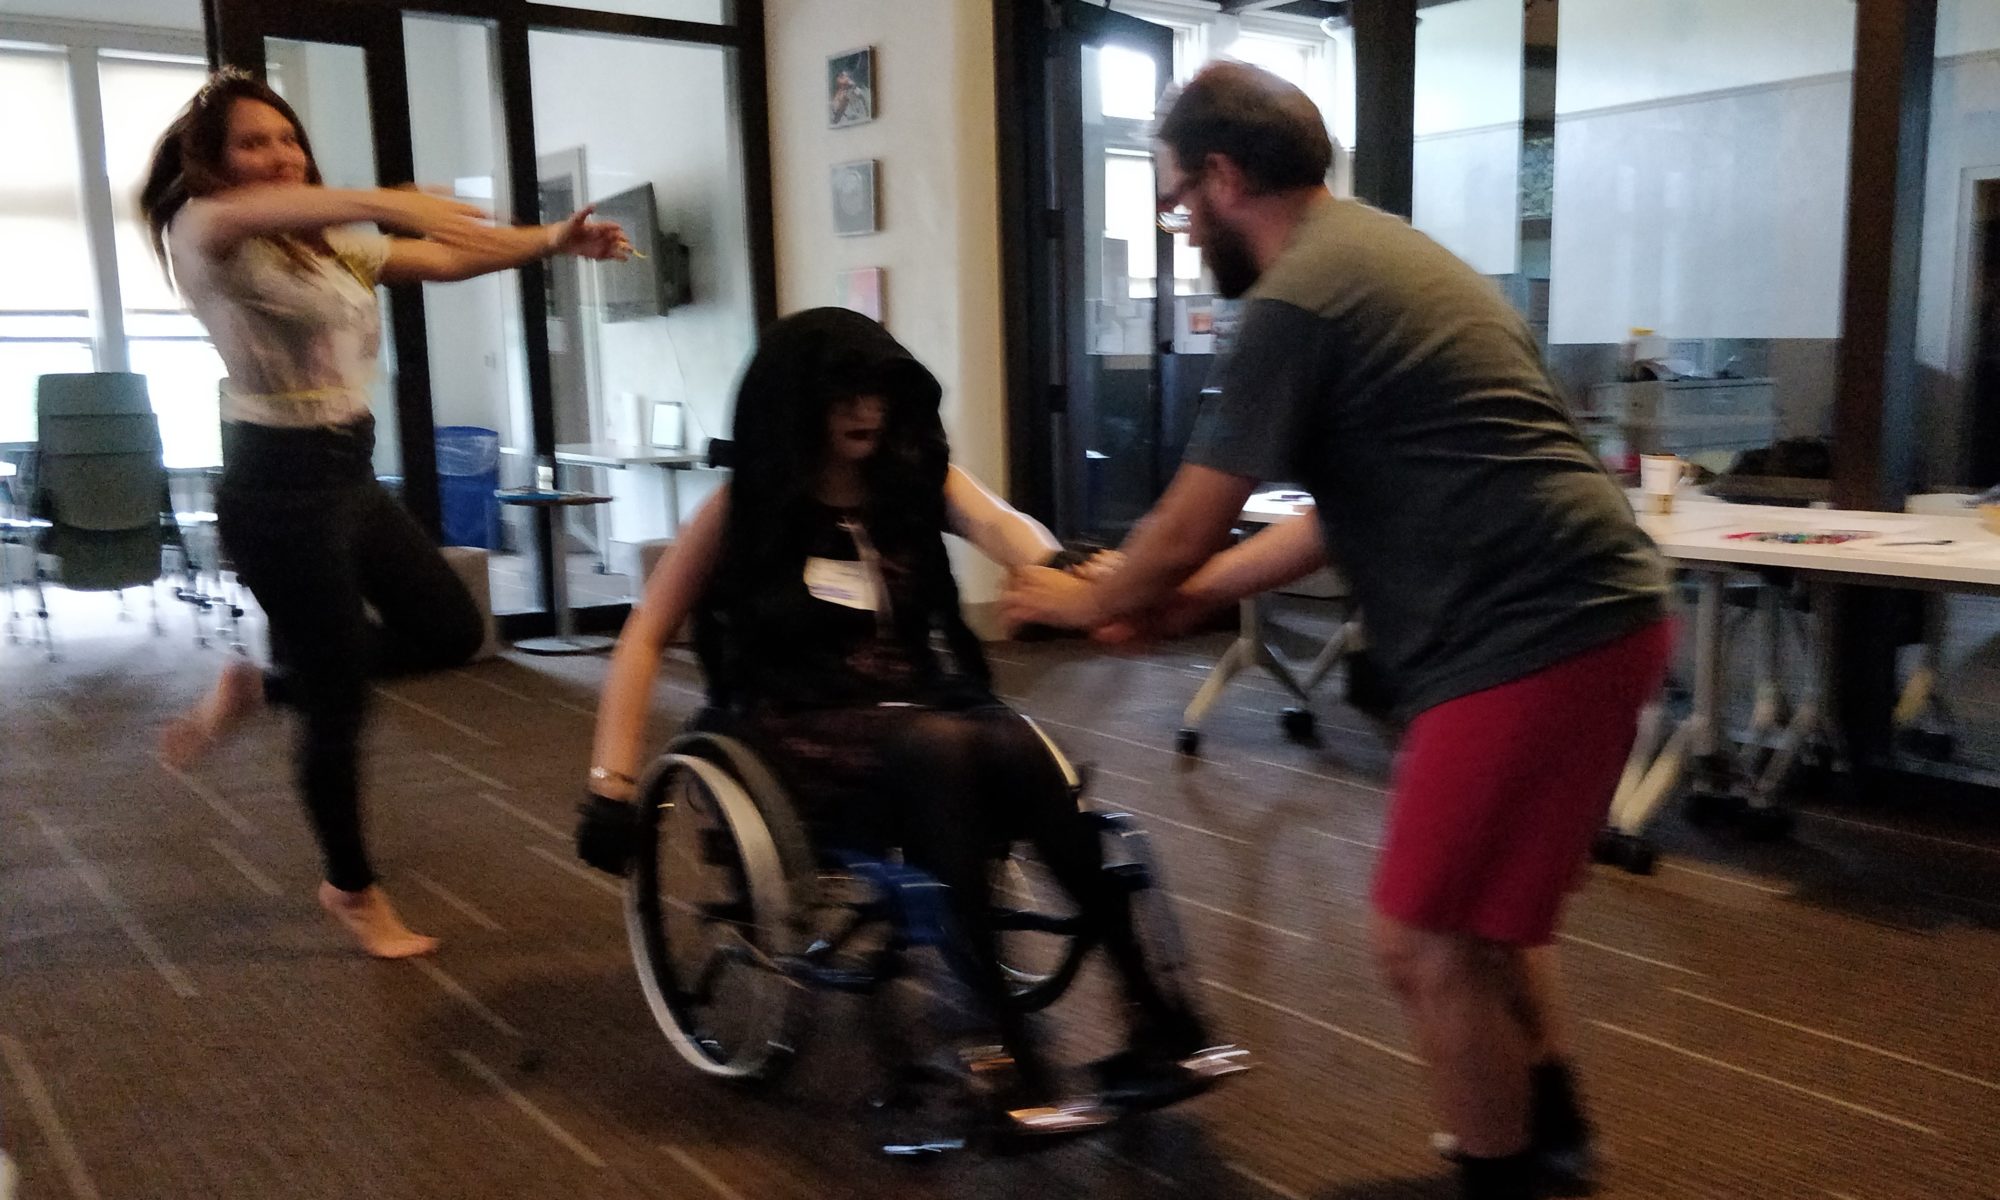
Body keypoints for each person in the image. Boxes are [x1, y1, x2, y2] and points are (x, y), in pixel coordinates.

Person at [1002, 63, 1672, 1200]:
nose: (1178, 228)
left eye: (1174, 201)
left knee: (1424, 940)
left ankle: (1505, 1177)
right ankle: (1547, 1133)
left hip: (1530, 633)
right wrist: (1184, 599)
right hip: (1590, 616)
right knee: (1484, 921)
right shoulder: (1382, 254)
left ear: (1223, 177)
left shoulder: (1298, 296)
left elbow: (1185, 524)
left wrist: (1082, 599)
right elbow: (1332, 517)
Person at [586, 307, 1243, 1139]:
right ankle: (1000, 1053)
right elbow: (646, 632)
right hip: (797, 730)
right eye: (843, 395)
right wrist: (610, 784)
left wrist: (1058, 567)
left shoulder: (913, 480)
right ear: (797, 404)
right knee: (944, 747)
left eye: (877, 393)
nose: (866, 410)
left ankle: (1155, 1016)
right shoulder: (743, 506)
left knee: (1010, 742)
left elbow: (1002, 525)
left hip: (917, 709)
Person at [144, 70, 630, 958]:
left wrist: (554, 239)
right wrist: (388, 198)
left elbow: (443, 260)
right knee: (341, 707)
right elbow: (264, 215)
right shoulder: (202, 230)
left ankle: (263, 688)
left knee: (450, 629)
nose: (279, 155)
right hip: (277, 490)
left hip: (351, 473)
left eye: (287, 138)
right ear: (214, 161)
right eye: (254, 143)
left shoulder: (318, 244)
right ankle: (351, 888)